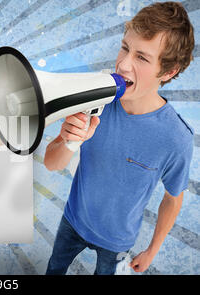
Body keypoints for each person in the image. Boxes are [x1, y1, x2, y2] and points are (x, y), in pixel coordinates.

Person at [44, 2, 194, 275]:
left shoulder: (176, 138)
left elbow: (173, 200)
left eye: (142, 57)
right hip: (73, 220)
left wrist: (152, 250)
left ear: (169, 71)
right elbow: (52, 164)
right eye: (125, 48)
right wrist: (69, 140)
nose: (123, 64)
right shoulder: (95, 95)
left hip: (117, 242)